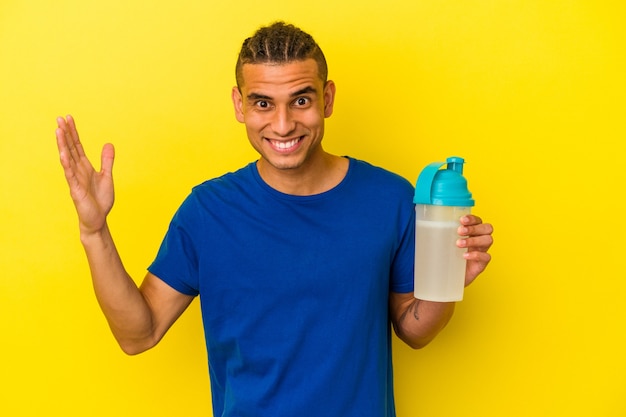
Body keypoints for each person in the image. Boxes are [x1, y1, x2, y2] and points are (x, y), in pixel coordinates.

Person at [55, 21, 493, 417]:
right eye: (262, 103)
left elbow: (414, 330)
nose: (282, 125)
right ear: (239, 105)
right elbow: (139, 334)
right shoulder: (208, 211)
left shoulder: (390, 198)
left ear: (328, 98)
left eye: (300, 100)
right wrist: (94, 232)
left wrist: (447, 279)